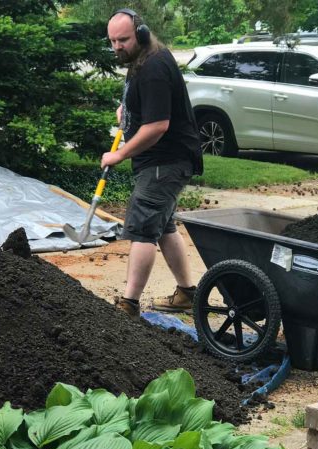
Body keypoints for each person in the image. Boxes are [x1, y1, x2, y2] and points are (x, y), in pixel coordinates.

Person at [102, 8, 203, 318]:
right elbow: (140, 98)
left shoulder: (154, 67)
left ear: (141, 34)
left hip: (166, 162)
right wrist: (127, 109)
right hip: (160, 161)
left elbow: (157, 126)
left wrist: (119, 154)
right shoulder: (141, 60)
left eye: (123, 40)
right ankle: (187, 293)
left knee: (143, 226)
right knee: (162, 226)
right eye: (112, 41)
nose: (117, 47)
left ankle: (129, 303)